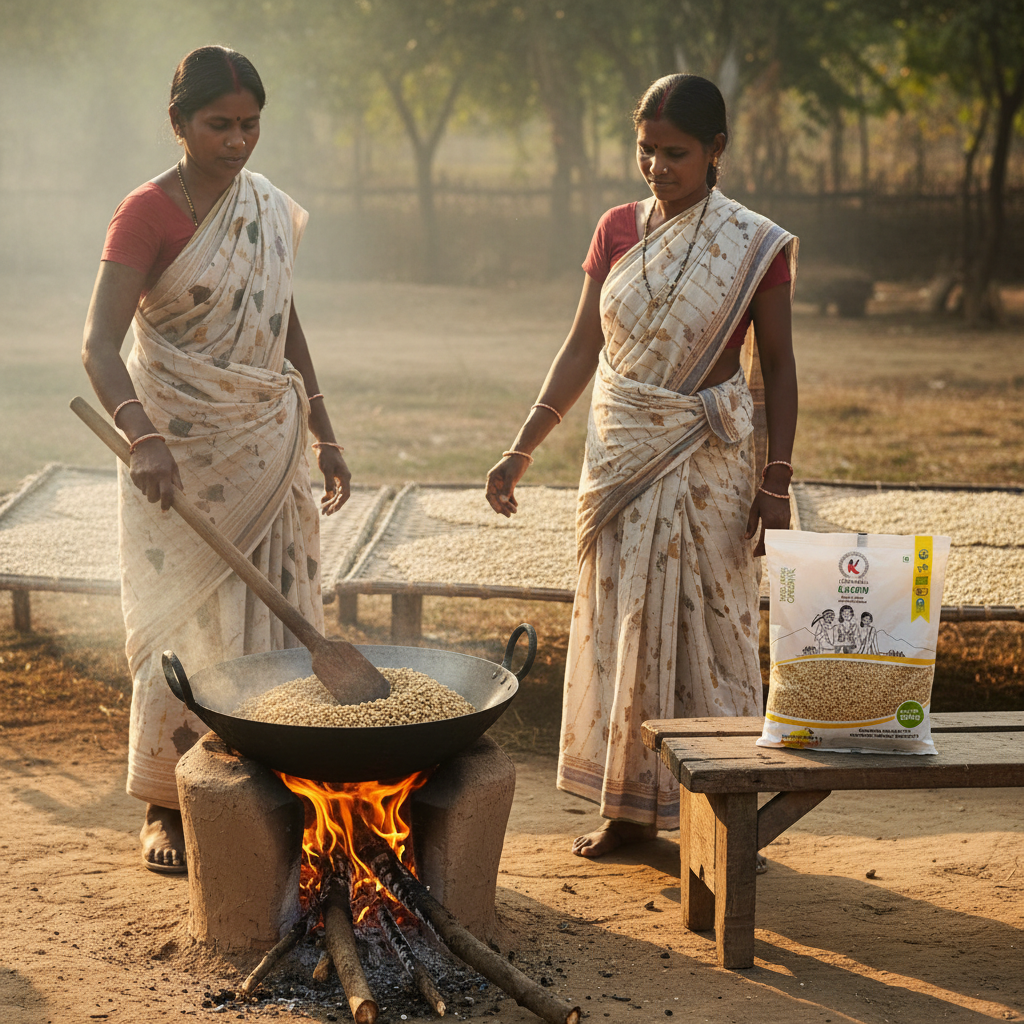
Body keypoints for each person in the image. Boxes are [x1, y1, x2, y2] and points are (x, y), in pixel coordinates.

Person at [485, 74, 798, 858]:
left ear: (717, 150)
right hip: (621, 455)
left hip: (707, 466)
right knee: (625, 627)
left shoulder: (754, 244)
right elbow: (583, 346)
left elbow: (779, 369)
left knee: (712, 632)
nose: (657, 166)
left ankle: (723, 817)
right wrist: (523, 445)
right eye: (646, 150)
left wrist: (778, 479)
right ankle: (626, 811)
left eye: (677, 153)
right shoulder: (618, 230)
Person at [81, 46, 350, 873]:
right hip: (178, 455)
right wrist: (145, 440)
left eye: (250, 125)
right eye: (219, 125)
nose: (237, 142)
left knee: (274, 608)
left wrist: (324, 426)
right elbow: (96, 345)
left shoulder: (265, 207)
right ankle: (167, 802)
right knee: (182, 625)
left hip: (266, 441)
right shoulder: (146, 212)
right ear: (179, 124)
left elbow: (282, 320)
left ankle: (270, 781)